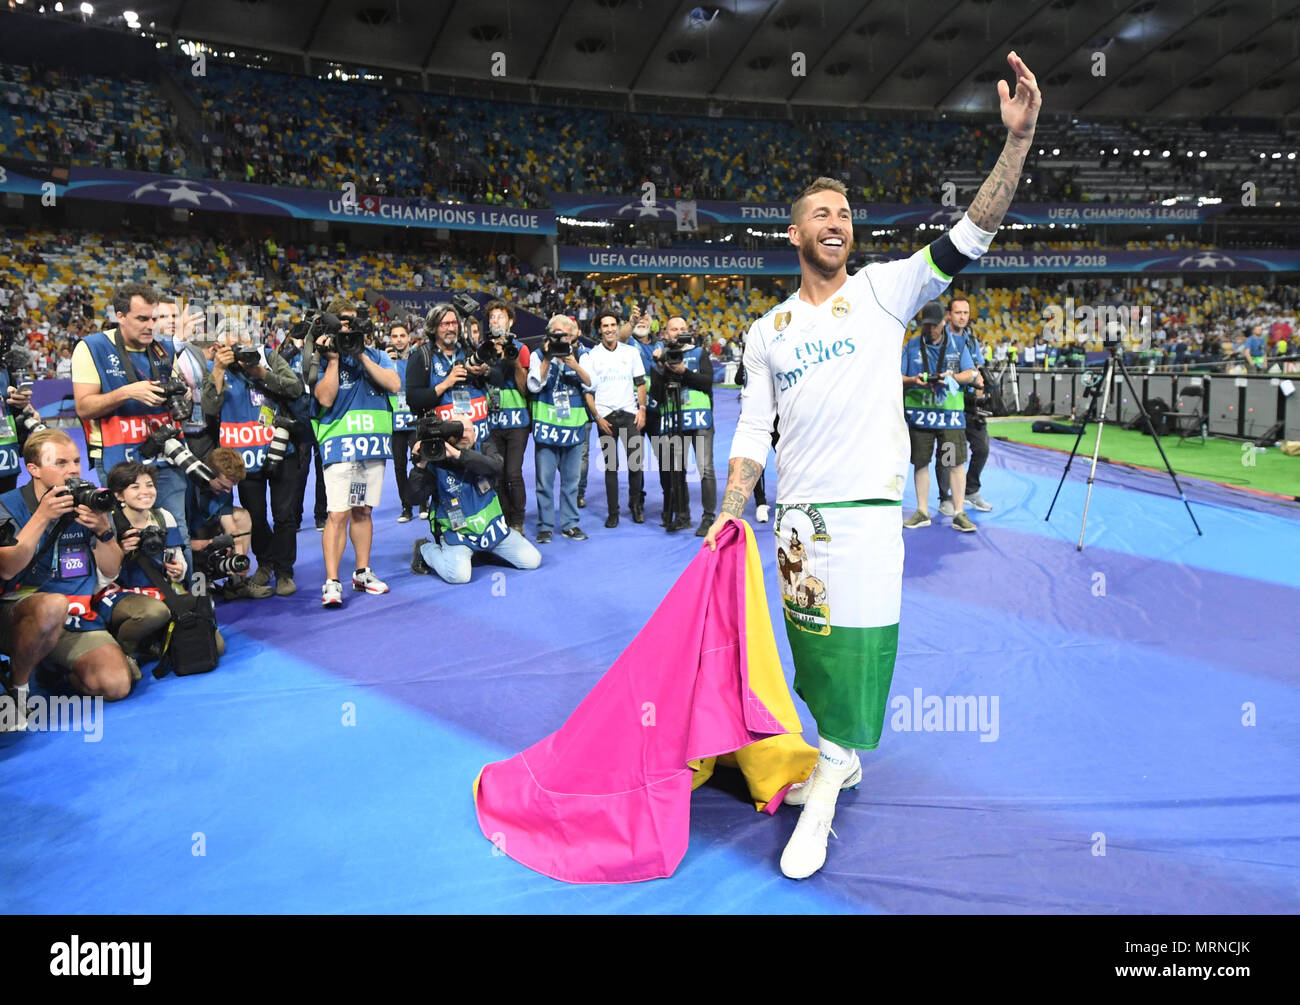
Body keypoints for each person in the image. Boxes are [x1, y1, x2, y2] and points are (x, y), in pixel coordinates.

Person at [704, 50, 1040, 879]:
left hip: (864, 518)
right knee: (812, 654)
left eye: (845, 211)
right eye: (820, 211)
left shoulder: (889, 289)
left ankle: (823, 793)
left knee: (860, 655)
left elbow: (971, 235)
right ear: (794, 233)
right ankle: (838, 752)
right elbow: (753, 425)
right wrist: (733, 501)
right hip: (797, 521)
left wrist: (1019, 141)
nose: (835, 220)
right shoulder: (768, 330)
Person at [0, 430, 134, 726]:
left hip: (74, 616)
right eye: (60, 463)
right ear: (33, 469)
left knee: (115, 685)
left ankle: (49, 661)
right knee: (51, 605)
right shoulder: (7, 504)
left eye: (76, 461)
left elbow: (111, 571)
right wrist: (42, 517)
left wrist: (104, 531)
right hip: (15, 613)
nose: (74, 469)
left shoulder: (91, 502)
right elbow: (7, 568)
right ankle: (19, 690)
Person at [71, 282, 192, 559]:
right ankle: (134, 597)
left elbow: (175, 397)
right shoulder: (92, 347)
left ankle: (184, 595)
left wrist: (182, 394)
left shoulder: (162, 349)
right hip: (119, 457)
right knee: (127, 533)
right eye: (142, 319)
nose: (150, 325)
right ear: (120, 316)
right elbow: (84, 407)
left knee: (176, 528)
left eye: (154, 318)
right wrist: (127, 392)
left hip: (166, 454)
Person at [309, 300, 401, 609]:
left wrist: (359, 352)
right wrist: (334, 360)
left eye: (352, 321)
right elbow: (324, 398)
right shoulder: (322, 357)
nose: (347, 327)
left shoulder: (375, 355)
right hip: (340, 449)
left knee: (363, 510)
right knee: (337, 514)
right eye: (342, 322)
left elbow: (394, 384)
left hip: (370, 448)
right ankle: (332, 581)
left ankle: (362, 573)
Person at [203, 333, 305, 596]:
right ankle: (266, 561)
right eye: (232, 344)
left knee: (285, 516)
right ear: (220, 345)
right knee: (256, 516)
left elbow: (294, 389)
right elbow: (209, 409)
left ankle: (284, 571)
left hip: (281, 449)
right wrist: (218, 368)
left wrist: (260, 371)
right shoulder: (216, 367)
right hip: (243, 459)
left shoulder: (269, 358)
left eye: (243, 343)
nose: (240, 350)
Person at [98, 461, 224, 660]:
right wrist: (119, 552)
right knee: (154, 614)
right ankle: (123, 651)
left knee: (214, 645)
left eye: (149, 485)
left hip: (162, 590)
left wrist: (178, 570)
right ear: (119, 495)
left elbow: (178, 560)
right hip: (120, 592)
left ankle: (152, 641)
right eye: (135, 486)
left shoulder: (164, 517)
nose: (145, 491)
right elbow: (98, 577)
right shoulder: (108, 523)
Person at [409, 420, 541, 583]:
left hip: (492, 532)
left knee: (532, 560)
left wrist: (458, 455)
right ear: (449, 436)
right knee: (458, 576)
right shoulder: (436, 461)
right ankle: (424, 548)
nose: (464, 434)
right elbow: (414, 498)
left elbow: (495, 466)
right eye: (458, 431)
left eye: (468, 430)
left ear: (476, 434)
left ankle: (484, 550)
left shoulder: (485, 449)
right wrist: (420, 467)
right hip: (458, 536)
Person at [901, 301, 978, 532]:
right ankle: (922, 511)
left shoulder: (957, 344)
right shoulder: (912, 345)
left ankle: (958, 513)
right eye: (927, 325)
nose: (931, 329)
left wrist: (952, 377)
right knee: (921, 462)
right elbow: (897, 376)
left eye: (935, 325)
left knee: (952, 462)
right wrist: (913, 380)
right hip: (920, 418)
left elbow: (972, 373)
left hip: (949, 419)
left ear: (944, 322)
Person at [527, 315, 593, 543]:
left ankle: (570, 524)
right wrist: (547, 358)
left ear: (572, 335)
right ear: (548, 335)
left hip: (574, 427)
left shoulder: (582, 354)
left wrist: (574, 364)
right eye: (556, 334)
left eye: (564, 334)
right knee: (544, 482)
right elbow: (533, 385)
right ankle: (545, 526)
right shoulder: (537, 355)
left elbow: (593, 383)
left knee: (571, 482)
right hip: (547, 427)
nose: (560, 338)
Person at [649, 315, 716, 535]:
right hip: (674, 420)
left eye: (682, 328)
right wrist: (661, 368)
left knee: (705, 469)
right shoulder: (661, 358)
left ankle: (708, 518)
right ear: (666, 334)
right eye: (673, 329)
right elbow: (657, 396)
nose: (678, 332)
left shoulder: (699, 353)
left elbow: (707, 382)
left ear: (689, 331)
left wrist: (683, 372)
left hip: (699, 418)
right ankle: (683, 515)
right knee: (678, 470)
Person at [580, 310, 647, 528]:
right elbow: (588, 392)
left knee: (635, 464)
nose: (609, 329)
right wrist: (597, 417)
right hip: (606, 419)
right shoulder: (590, 356)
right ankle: (613, 512)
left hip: (630, 415)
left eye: (612, 325)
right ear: (599, 329)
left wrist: (642, 409)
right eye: (605, 325)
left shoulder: (631, 352)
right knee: (611, 467)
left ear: (618, 327)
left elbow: (640, 383)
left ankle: (636, 506)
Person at [935, 297, 993, 515]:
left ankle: (970, 489)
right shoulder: (940, 338)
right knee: (948, 451)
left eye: (966, 313)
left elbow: (977, 371)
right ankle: (946, 497)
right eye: (958, 312)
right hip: (948, 403)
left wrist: (979, 398)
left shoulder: (970, 340)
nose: (962, 317)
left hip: (969, 404)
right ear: (949, 314)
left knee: (982, 447)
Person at [482, 300, 532, 537]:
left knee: (513, 473)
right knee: (498, 473)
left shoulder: (521, 348)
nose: (495, 321)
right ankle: (502, 517)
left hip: (517, 422)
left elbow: (525, 390)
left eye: (500, 317)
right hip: (492, 422)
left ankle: (518, 521)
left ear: (510, 322)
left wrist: (515, 365)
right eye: (492, 317)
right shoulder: (483, 349)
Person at [386, 322, 418, 523]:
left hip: (415, 420)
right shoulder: (384, 361)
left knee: (420, 460)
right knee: (399, 466)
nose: (398, 339)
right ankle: (406, 506)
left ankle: (423, 501)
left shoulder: (417, 359)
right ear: (390, 339)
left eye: (402, 335)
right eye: (395, 336)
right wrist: (386, 365)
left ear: (409, 338)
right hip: (394, 422)